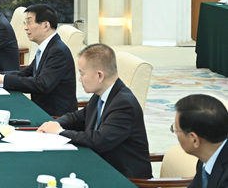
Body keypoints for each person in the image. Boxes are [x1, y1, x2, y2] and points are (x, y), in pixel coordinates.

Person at [38, 43, 151, 178]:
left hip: (126, 181)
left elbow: (98, 140)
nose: (79, 79)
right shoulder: (102, 93)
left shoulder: (124, 104)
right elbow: (78, 118)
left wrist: (59, 132)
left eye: (82, 73)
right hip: (103, 167)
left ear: (99, 76)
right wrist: (55, 124)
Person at [0, 4, 77, 117]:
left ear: (45, 25)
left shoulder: (58, 51)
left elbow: (42, 84)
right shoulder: (48, 47)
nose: (25, 27)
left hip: (54, 117)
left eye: (29, 22)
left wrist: (4, 79)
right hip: (39, 109)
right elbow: (25, 73)